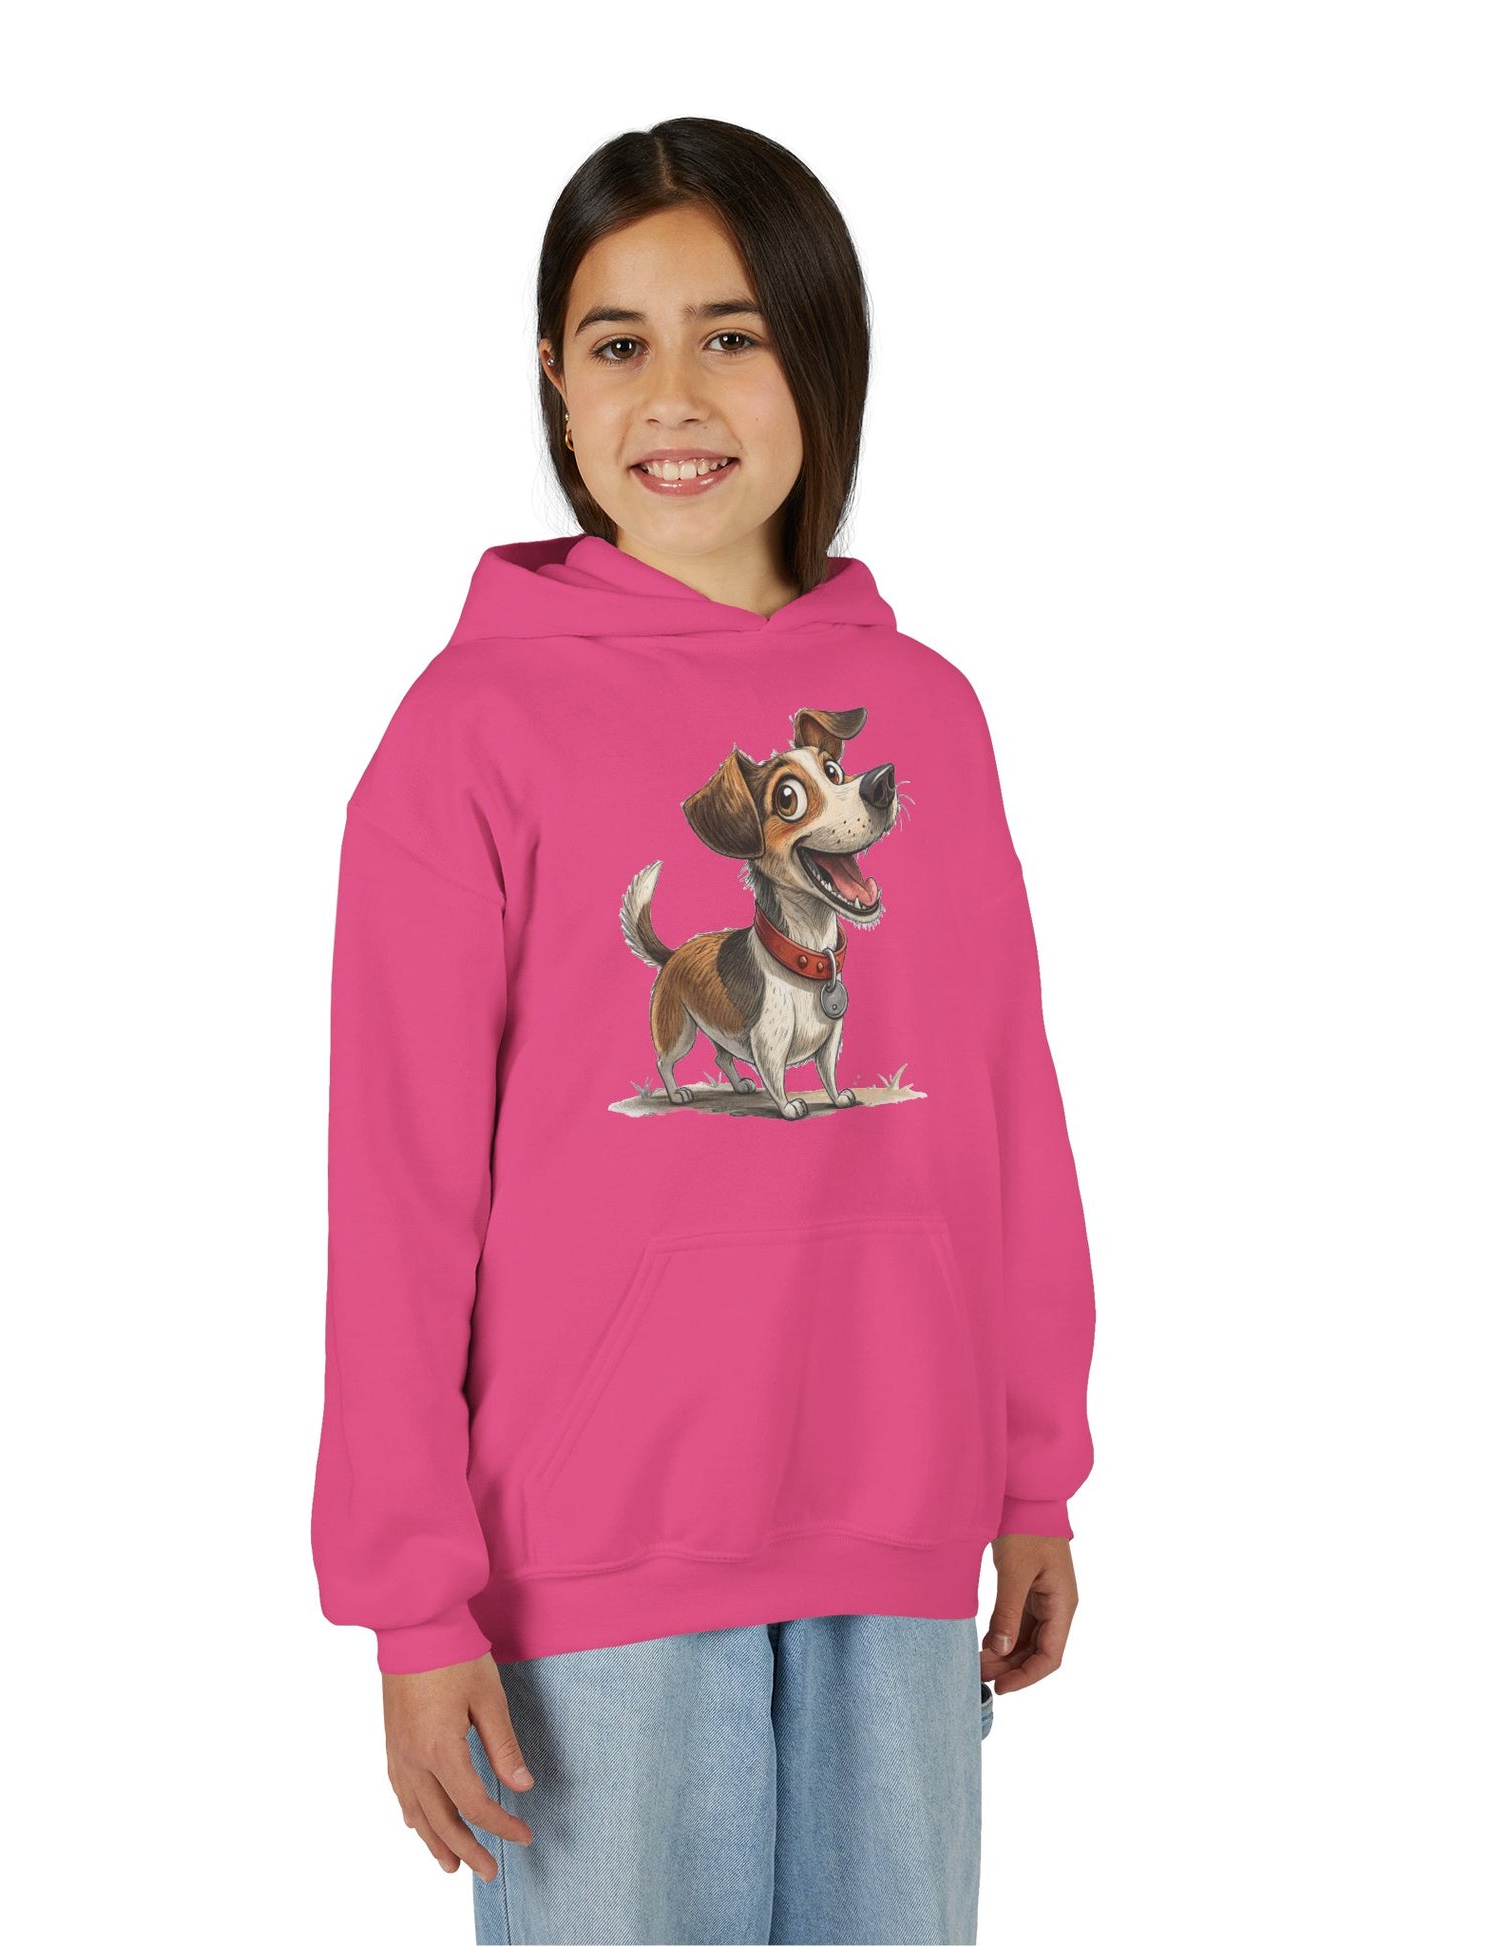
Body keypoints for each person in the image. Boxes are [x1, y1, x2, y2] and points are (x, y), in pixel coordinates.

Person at [311, 116, 1096, 1946]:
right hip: (590, 1567)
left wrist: (1029, 1471)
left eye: (730, 334)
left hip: (896, 1532)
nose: (673, 394)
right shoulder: (466, 735)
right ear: (553, 380)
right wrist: (413, 1600)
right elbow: (398, 1194)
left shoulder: (926, 717)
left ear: (819, 357)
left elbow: (1003, 1111)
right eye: (619, 341)